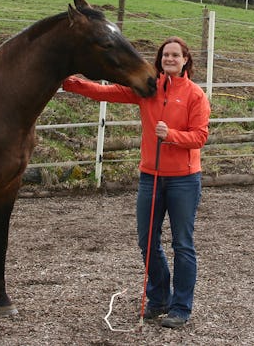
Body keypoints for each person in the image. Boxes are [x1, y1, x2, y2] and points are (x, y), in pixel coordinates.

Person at [62, 36, 210, 328]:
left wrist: (172, 136)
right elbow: (106, 92)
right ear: (160, 60)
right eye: (165, 55)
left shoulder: (195, 95)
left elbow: (200, 137)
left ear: (185, 61)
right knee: (147, 241)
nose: (169, 59)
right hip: (150, 178)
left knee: (182, 244)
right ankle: (159, 297)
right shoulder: (147, 89)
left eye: (175, 55)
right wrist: (70, 82)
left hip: (184, 180)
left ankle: (181, 307)